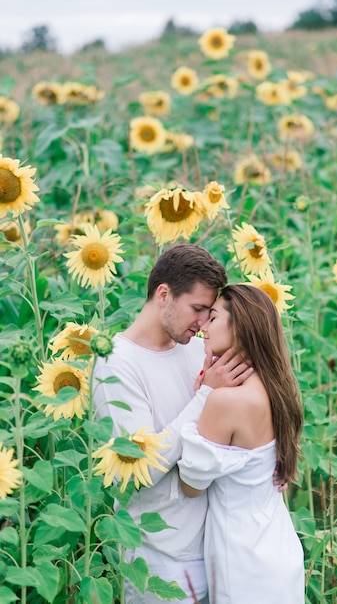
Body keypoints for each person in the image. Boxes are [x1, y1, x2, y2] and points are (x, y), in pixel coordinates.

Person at [93, 243, 253, 604]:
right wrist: (204, 396)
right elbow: (136, 469)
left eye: (208, 312)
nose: (202, 323)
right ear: (163, 294)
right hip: (158, 554)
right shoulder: (117, 364)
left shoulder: (196, 346)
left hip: (215, 544)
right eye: (196, 309)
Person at [178, 284, 305, 604]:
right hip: (278, 544)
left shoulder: (225, 401)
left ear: (242, 327)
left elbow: (191, 485)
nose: (203, 327)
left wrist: (203, 397)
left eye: (213, 317)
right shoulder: (276, 388)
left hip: (242, 556)